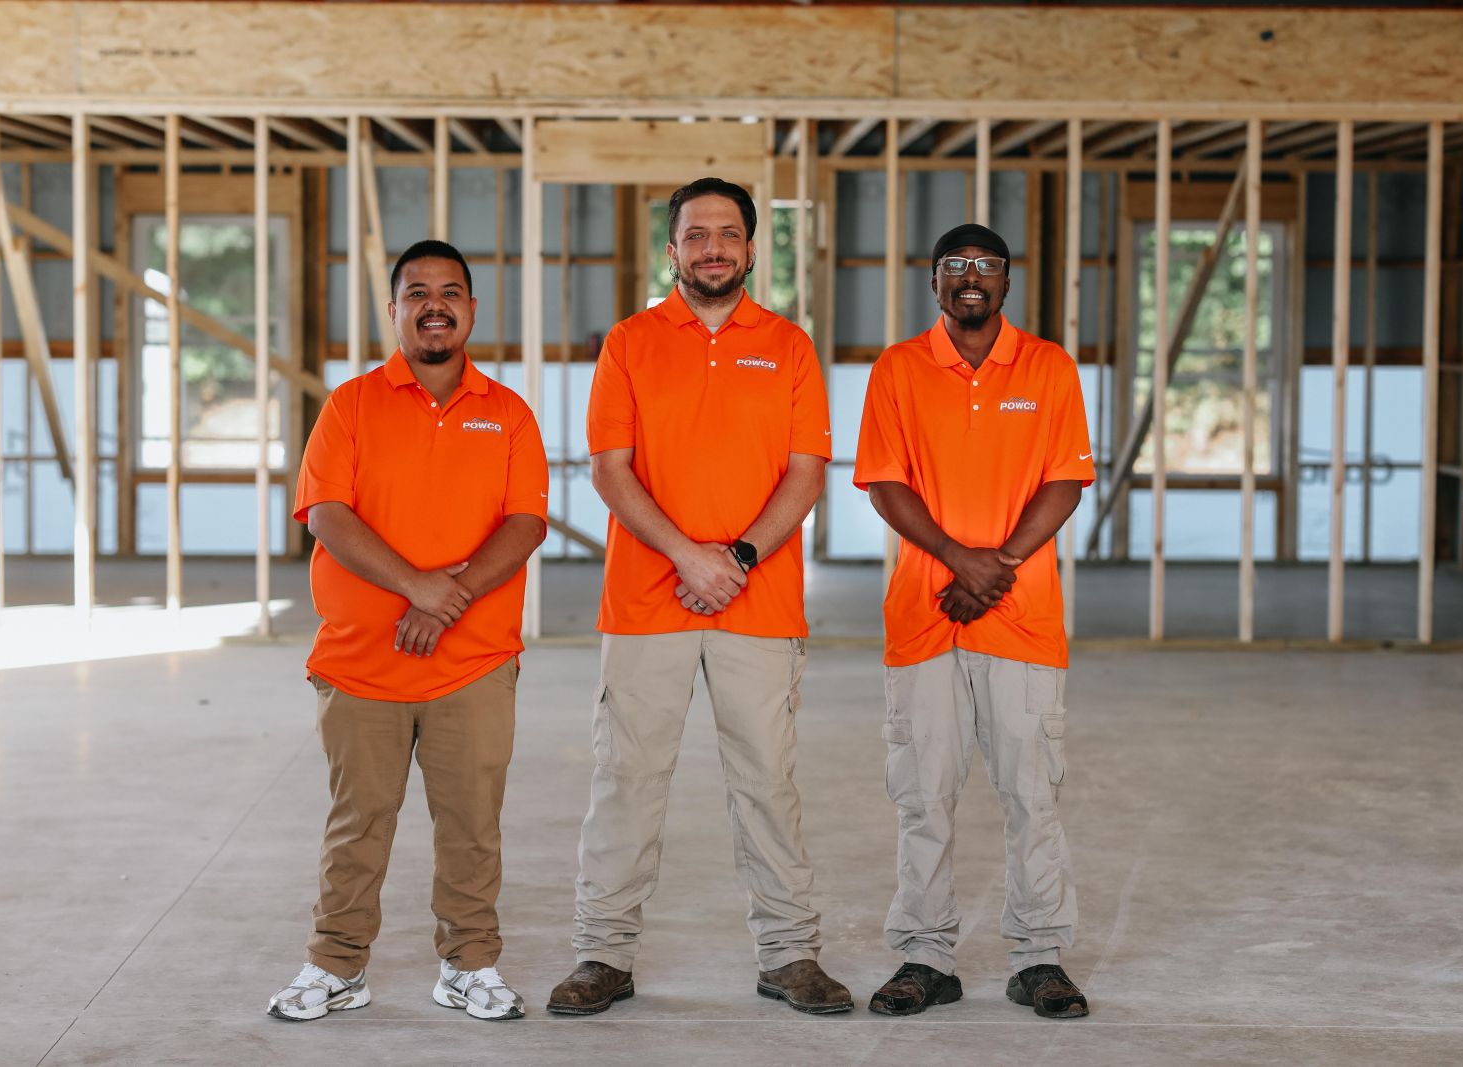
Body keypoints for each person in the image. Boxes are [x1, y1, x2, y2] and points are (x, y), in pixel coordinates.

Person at [546, 178, 851, 1016]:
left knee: (767, 782)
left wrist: (739, 557)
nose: (712, 247)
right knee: (626, 778)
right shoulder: (630, 343)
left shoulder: (788, 346)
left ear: (752, 249)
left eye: (728, 233)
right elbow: (610, 469)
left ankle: (790, 956)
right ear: (672, 249)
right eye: (695, 234)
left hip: (759, 601)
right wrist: (689, 555)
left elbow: (807, 471)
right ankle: (602, 955)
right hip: (647, 602)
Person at [268, 240, 548, 1023]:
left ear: (471, 309)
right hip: (362, 663)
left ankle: (470, 964)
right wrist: (415, 586)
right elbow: (327, 513)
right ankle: (336, 964)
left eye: (450, 291)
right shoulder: (351, 405)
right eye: (417, 291)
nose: (434, 303)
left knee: (471, 824)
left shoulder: (509, 413)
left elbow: (525, 523)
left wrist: (443, 598)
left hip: (474, 663)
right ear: (393, 310)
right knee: (357, 825)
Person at [854, 223, 1095, 1020]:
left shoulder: (1050, 367)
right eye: (955, 266)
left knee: (1033, 794)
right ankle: (925, 956)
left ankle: (1039, 956)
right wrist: (963, 559)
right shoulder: (898, 368)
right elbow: (885, 484)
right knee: (923, 796)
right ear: (934, 282)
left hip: (1022, 619)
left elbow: (1064, 481)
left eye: (985, 266)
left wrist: (994, 569)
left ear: (1005, 282)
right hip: (923, 621)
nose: (970, 277)